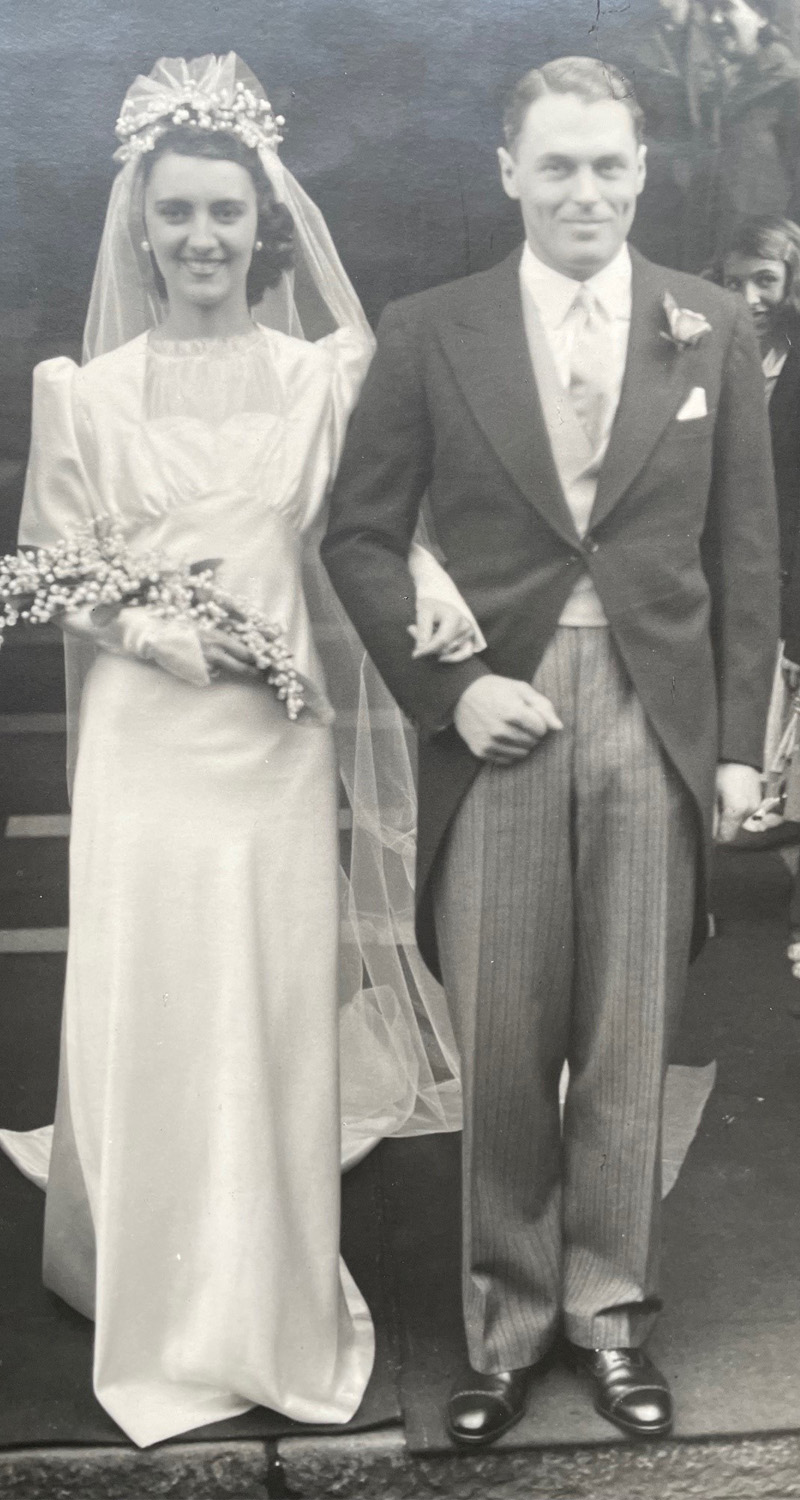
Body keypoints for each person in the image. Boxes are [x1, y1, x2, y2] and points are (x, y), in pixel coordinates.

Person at [0, 54, 477, 1448]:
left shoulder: (320, 378)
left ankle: (262, 1297)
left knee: (261, 1001)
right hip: (146, 749)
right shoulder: (83, 392)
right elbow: (53, 569)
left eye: (223, 213)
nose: (201, 238)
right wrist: (151, 634)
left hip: (274, 751)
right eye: (176, 215)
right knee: (156, 995)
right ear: (139, 227)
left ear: (259, 224)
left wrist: (433, 588)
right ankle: (142, 1277)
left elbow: (372, 528)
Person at [323, 56, 779, 1446]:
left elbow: (745, 557)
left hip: (656, 717)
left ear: (644, 173)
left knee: (630, 1032)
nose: (587, 191)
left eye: (609, 166)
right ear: (507, 172)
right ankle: (505, 1328)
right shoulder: (431, 329)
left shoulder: (705, 325)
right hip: (500, 714)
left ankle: (611, 1315)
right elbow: (354, 532)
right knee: (506, 1036)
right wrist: (446, 692)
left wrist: (744, 749)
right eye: (559, 165)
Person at [708, 216, 800, 950]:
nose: (750, 297)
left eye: (765, 280)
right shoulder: (709, 354)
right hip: (728, 566)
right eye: (735, 282)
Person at [618, 0, 722, 270]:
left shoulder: (719, 30)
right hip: (656, 181)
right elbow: (622, 122)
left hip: (714, 183)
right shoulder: (628, 39)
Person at [702, 0, 800, 249]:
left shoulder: (790, 87)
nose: (714, 19)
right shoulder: (722, 88)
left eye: (726, 7)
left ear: (762, 16)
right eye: (708, 9)